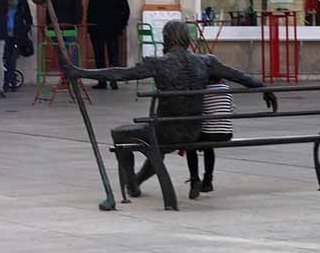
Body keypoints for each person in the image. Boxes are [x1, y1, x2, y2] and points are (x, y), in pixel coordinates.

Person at [64, 21, 277, 199]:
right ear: (186, 39)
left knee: (121, 134)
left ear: (166, 39)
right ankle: (136, 182)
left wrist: (80, 72)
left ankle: (133, 182)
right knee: (156, 143)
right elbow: (239, 76)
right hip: (193, 131)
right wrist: (263, 88)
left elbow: (119, 74)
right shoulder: (206, 62)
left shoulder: (159, 63)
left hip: (165, 131)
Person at [185, 78, 233, 199]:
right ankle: (208, 180)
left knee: (190, 147)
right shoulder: (227, 89)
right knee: (208, 147)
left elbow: (199, 112)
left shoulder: (203, 90)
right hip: (226, 132)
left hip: (208, 132)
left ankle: (194, 179)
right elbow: (232, 109)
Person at [86, 0, 130, 90]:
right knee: (113, 55)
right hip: (113, 29)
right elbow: (126, 10)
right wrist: (122, 25)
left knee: (99, 56)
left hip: (97, 28)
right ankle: (114, 81)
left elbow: (90, 8)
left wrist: (90, 26)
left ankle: (102, 81)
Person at [4, 0, 33, 93]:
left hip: (17, 33)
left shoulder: (22, 0)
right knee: (7, 58)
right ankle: (9, 81)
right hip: (5, 33)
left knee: (12, 59)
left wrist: (26, 28)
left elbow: (27, 16)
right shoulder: (3, 0)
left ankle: (9, 82)